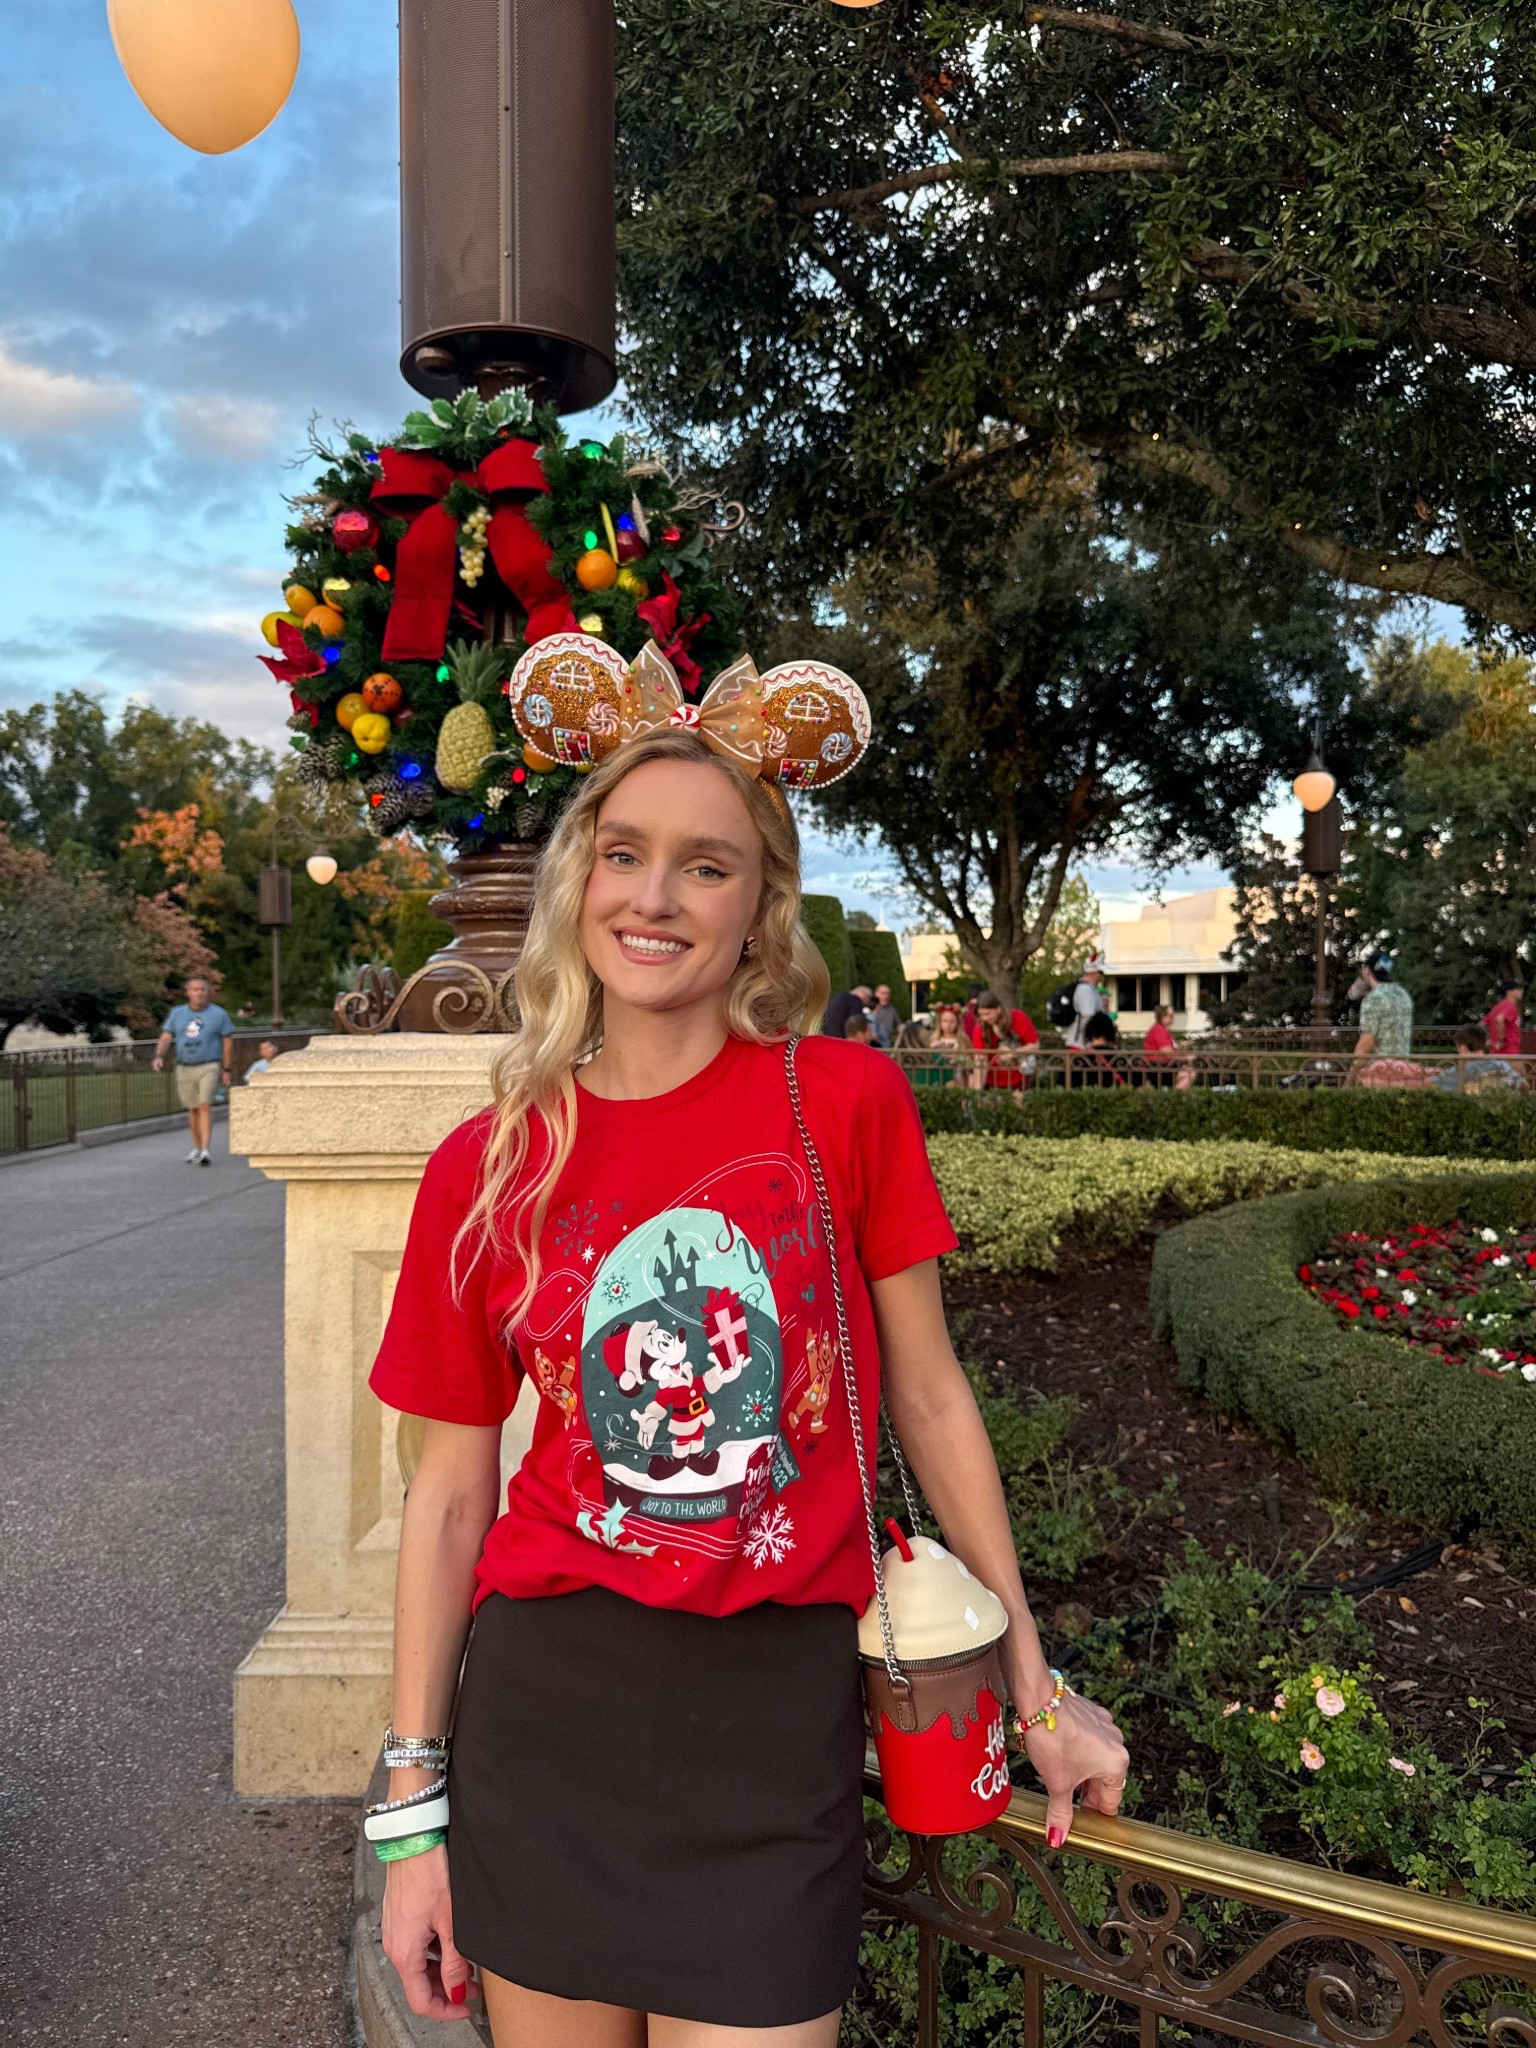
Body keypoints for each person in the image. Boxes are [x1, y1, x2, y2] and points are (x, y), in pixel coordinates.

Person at [368, 725, 1128, 2044]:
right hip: (550, 1729)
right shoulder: (488, 1166)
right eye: (623, 855)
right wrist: (410, 1820)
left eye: (704, 866)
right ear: (578, 881)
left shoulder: (844, 1103)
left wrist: (1033, 1686)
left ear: (761, 907)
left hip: (775, 1735)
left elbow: (931, 1401)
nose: (653, 898)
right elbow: (448, 1505)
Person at [152, 974, 234, 1165]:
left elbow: (228, 1043)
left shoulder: (219, 1015)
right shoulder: (177, 1013)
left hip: (209, 1064)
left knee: (205, 1104)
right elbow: (166, 1036)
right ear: (188, 993)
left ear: (208, 993)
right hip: (185, 1065)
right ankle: (196, 1147)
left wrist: (227, 1068)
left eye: (203, 989)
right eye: (195, 990)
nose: (199, 993)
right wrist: (158, 1056)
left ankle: (206, 1149)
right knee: (193, 1108)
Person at [1350, 954, 1421, 1087]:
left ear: (1367, 970)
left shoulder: (1373, 999)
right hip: (1403, 1070)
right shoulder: (1403, 994)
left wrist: (1352, 1074)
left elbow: (1366, 1042)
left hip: (1379, 1072)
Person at [967, 989, 1039, 1090]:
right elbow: (980, 1058)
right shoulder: (980, 1028)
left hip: (1019, 1079)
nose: (984, 1018)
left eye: (988, 1014)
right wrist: (978, 1090)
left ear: (998, 1009)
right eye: (981, 1014)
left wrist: (1013, 1052)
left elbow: (1034, 1046)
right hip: (992, 1082)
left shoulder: (1018, 1017)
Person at [1434, 1022, 1525, 1094]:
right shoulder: (1502, 1064)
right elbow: (1524, 1085)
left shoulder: (1460, 1071)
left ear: (1462, 1048)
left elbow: (1431, 1084)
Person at [1139, 1004, 1193, 1091]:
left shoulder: (1162, 1029)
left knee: (1187, 1071)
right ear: (1163, 1017)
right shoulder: (1159, 1030)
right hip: (1157, 1067)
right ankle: (1175, 1099)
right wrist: (1186, 1058)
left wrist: (1180, 1049)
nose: (1173, 1018)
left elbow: (1169, 1050)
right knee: (1188, 1073)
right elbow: (1166, 1052)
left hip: (1161, 1065)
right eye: (1171, 1016)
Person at [1064, 959, 1107, 1048]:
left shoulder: (1089, 988)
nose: (1101, 976)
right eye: (1100, 972)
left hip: (1084, 1043)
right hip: (1082, 1044)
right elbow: (1088, 1017)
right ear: (1094, 973)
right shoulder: (1085, 990)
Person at [1483, 981, 1525, 1060]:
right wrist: (1501, 1040)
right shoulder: (1510, 1005)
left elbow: (1483, 1023)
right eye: (1518, 989)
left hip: (1495, 1054)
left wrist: (1488, 1041)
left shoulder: (1497, 1007)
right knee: (1518, 1072)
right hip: (1509, 1053)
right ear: (1509, 992)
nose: (1521, 991)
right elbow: (1499, 1019)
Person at [868, 982, 901, 1049]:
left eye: (888, 994)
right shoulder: (868, 1008)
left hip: (886, 1046)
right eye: (883, 993)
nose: (886, 996)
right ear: (876, 993)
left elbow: (898, 1025)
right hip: (872, 1046)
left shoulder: (892, 1010)